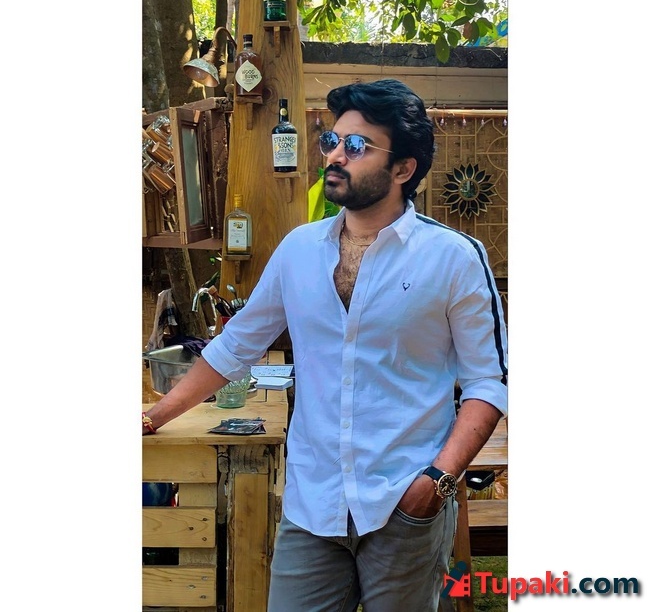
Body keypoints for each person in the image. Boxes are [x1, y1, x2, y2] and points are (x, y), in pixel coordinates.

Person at [142, 78, 507, 611]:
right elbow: (235, 347)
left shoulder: (454, 258)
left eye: (356, 146)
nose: (335, 156)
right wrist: (153, 417)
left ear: (403, 169)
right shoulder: (299, 250)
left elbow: (487, 382)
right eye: (332, 141)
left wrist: (437, 481)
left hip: (405, 501)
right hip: (312, 504)